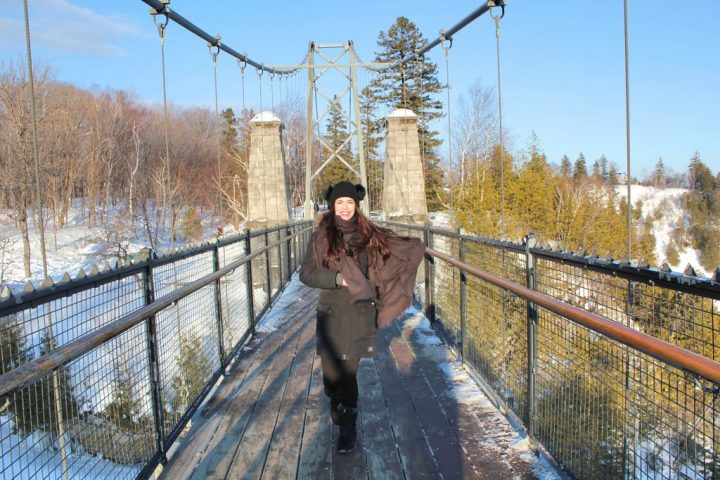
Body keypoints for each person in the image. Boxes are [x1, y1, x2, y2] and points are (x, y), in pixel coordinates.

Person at [299, 180, 425, 454]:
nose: (345, 208)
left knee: (348, 376)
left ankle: (348, 430)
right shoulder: (320, 237)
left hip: (360, 313)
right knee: (332, 377)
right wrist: (337, 278)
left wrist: (413, 250)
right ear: (333, 207)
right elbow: (306, 274)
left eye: (350, 203)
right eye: (340, 203)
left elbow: (396, 255)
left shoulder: (371, 235)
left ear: (357, 205)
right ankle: (335, 401)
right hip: (331, 313)